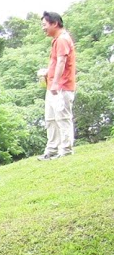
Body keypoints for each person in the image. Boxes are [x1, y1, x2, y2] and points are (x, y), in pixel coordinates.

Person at [37, 11, 76, 160]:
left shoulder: (62, 39)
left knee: (62, 118)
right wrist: (48, 73)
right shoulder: (56, 40)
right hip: (53, 86)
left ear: (54, 23)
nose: (43, 28)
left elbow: (62, 62)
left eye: (44, 25)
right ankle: (52, 149)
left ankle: (65, 150)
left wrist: (55, 83)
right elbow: (56, 63)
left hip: (61, 87)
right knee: (51, 119)